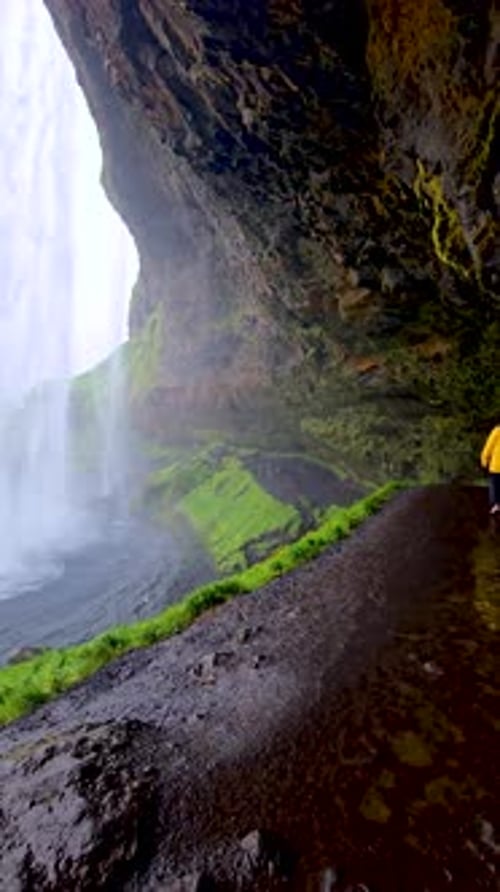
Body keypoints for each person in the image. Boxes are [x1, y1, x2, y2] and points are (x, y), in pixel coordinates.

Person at [481, 424, 500, 514]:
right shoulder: (497, 430)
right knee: (495, 486)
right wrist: (484, 459)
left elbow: (489, 446)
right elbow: (489, 445)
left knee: (495, 486)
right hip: (496, 466)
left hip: (496, 466)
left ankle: (496, 505)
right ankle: (495, 505)